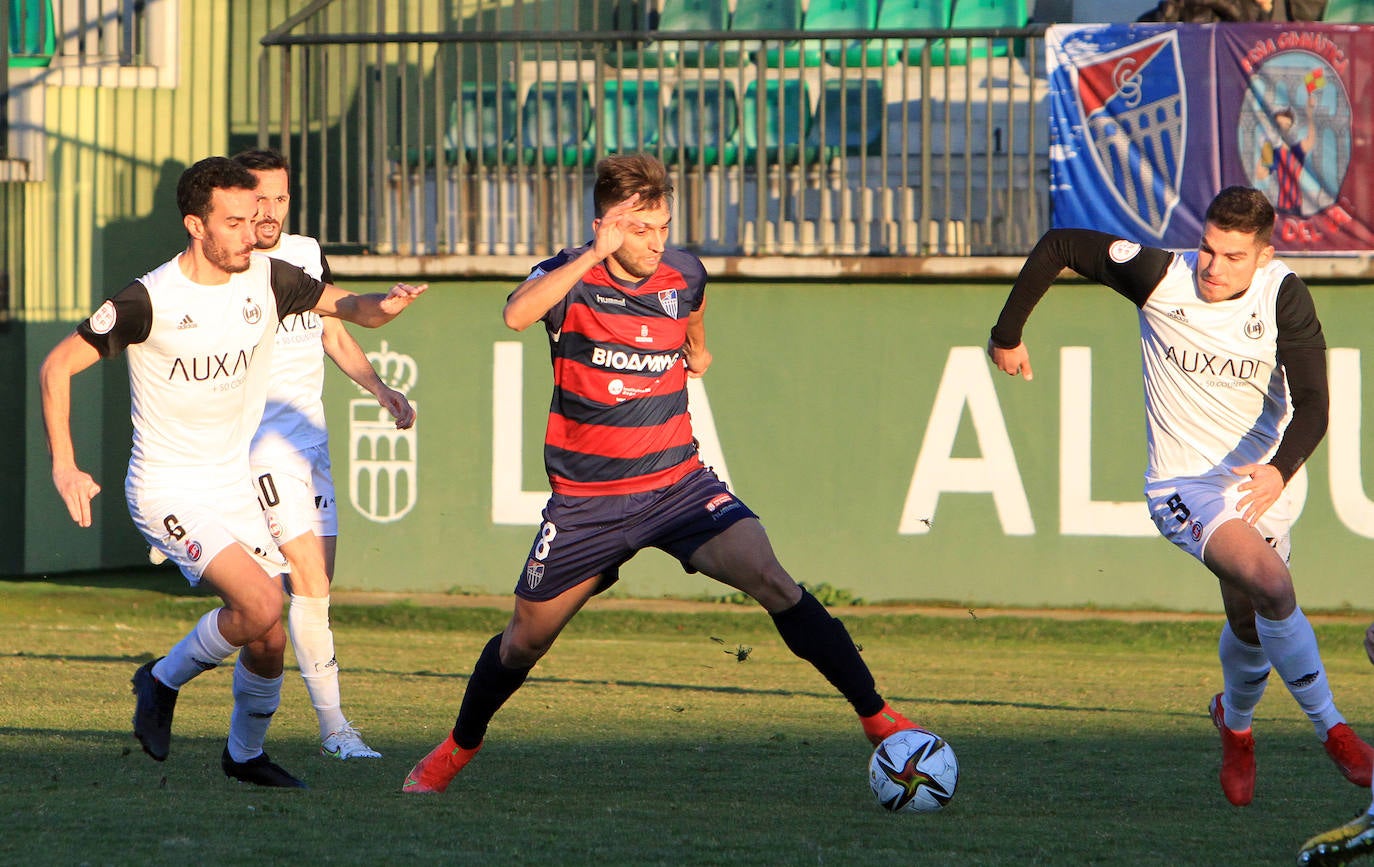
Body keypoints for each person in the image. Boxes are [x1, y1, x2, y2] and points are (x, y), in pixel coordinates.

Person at [401, 153, 917, 794]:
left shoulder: (684, 273)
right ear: (606, 224)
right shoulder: (567, 278)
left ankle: (877, 716)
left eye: (662, 227)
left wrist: (697, 347)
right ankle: (457, 746)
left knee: (772, 578)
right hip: (588, 503)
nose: (655, 243)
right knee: (522, 644)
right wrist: (592, 255)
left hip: (679, 485)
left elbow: (693, 305)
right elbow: (514, 314)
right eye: (639, 230)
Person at [39, 156, 426, 787]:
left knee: (267, 635)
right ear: (196, 225)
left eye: (254, 218)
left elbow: (348, 309)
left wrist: (386, 305)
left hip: (232, 482)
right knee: (263, 601)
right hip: (168, 488)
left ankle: (243, 756)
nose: (251, 232)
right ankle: (161, 680)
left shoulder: (267, 277)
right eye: (235, 222)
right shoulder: (149, 299)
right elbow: (56, 366)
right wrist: (65, 464)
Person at [986, 186, 1373, 807]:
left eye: (1233, 256)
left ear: (1264, 256)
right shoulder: (1162, 275)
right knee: (1274, 587)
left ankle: (1236, 726)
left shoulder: (1284, 295)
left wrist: (1279, 469)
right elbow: (1059, 243)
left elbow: (1316, 404)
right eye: (1208, 249)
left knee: (1249, 619)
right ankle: (1335, 732)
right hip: (1184, 486)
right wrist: (1008, 333)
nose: (1214, 268)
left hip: (1262, 483)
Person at [232, 148, 413, 761]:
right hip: (260, 444)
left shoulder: (305, 253)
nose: (271, 210)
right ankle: (336, 729)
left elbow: (333, 327)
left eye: (281, 198)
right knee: (300, 582)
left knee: (307, 597)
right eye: (260, 198)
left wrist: (380, 388)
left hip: (310, 440)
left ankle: (199, 698)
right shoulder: (224, 265)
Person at [1256, 92, 1318, 217]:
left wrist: (1310, 113)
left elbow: (1310, 140)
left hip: (1296, 206)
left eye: (1287, 126)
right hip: (1280, 208)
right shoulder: (1273, 151)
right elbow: (1261, 174)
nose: (1283, 129)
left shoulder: (1295, 150)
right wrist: (1265, 146)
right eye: (1279, 125)